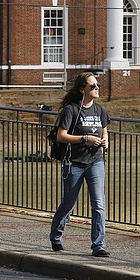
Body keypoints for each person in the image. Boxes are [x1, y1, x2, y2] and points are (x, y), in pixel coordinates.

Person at [49, 72, 111, 257]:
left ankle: (98, 245)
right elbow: (61, 135)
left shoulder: (100, 110)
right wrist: (85, 138)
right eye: (93, 86)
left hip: (95, 162)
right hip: (74, 163)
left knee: (99, 204)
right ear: (82, 89)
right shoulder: (72, 110)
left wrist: (105, 140)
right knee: (69, 203)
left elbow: (105, 132)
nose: (97, 88)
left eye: (97, 85)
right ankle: (56, 236)